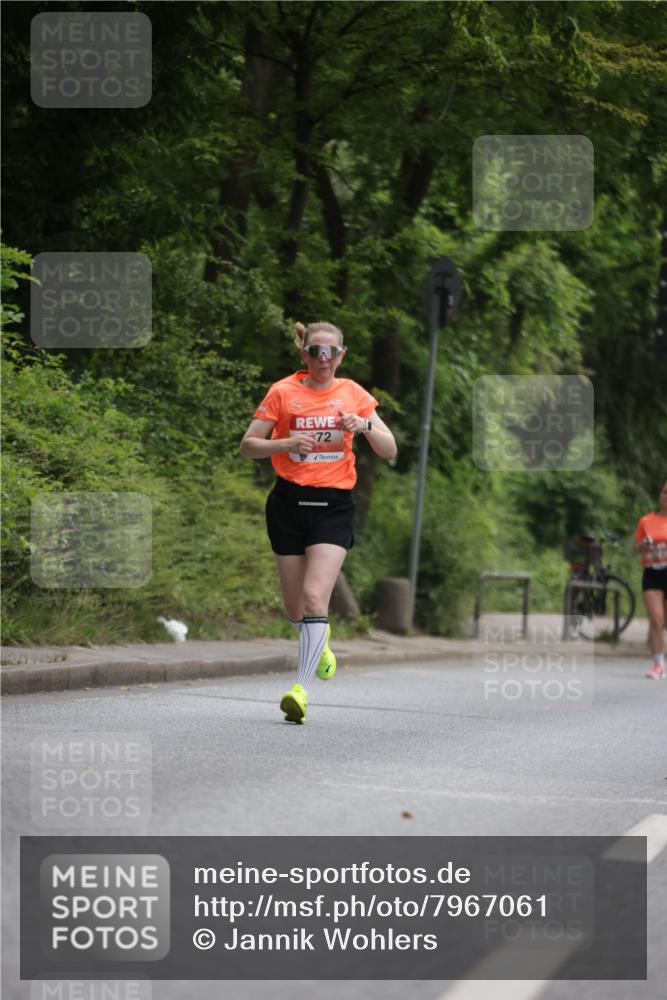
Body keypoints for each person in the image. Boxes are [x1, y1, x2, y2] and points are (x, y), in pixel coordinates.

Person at [240, 321, 397, 722]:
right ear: (304, 354)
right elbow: (248, 446)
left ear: (341, 355)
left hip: (333, 506)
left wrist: (364, 425)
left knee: (314, 597)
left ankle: (300, 690)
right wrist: (286, 443)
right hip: (288, 504)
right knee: (296, 608)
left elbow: (390, 448)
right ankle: (318, 638)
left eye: (330, 352)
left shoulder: (353, 394)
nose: (323, 359)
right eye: (315, 351)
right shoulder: (282, 392)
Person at [633, 480, 667, 679]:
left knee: (664, 621)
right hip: (652, 572)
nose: (666, 497)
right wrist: (643, 545)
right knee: (656, 619)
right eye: (664, 492)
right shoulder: (646, 521)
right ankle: (658, 664)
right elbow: (635, 548)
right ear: (660, 495)